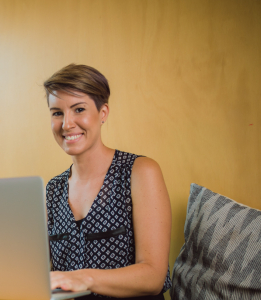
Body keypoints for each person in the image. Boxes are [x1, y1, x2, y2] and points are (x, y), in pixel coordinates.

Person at [44, 64, 172, 299]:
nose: (66, 124)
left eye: (79, 109)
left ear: (102, 113)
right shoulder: (52, 190)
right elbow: (38, 276)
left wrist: (84, 278)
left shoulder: (140, 171)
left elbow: (153, 276)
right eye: (57, 113)